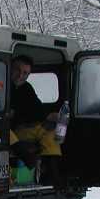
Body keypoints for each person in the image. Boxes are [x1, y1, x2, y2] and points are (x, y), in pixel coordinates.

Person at [8, 55, 64, 188]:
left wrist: (49, 116)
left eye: (25, 73)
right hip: (3, 130)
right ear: (10, 68)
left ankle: (52, 175)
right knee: (0, 128)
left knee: (49, 133)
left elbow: (37, 110)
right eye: (17, 70)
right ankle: (28, 159)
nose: (20, 75)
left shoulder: (27, 88)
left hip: (21, 128)